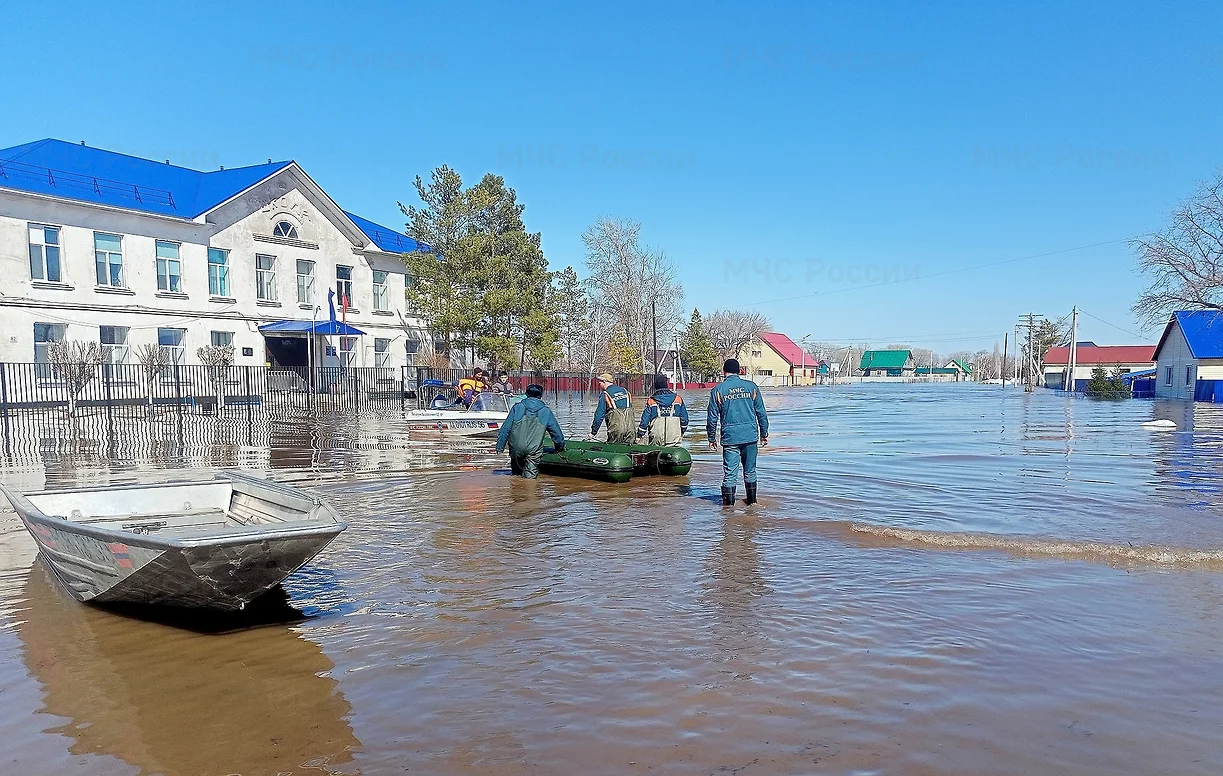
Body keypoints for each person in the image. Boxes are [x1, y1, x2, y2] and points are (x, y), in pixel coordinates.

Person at [706, 358, 769, 506]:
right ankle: (752, 505)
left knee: (730, 475)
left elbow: (712, 418)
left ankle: (728, 510)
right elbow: (761, 413)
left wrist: (711, 438)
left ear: (724, 371)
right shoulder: (752, 387)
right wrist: (764, 433)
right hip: (750, 436)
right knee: (750, 472)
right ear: (739, 371)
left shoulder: (718, 390)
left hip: (730, 438)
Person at [496, 383, 565, 478]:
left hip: (515, 448)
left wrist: (500, 446)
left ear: (526, 394)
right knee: (530, 480)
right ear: (540, 396)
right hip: (534, 450)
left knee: (515, 476)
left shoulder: (517, 407)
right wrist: (559, 447)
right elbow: (556, 433)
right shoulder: (546, 411)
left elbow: (505, 428)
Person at [636, 373, 689, 446]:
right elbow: (685, 420)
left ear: (655, 386)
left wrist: (639, 435)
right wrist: (682, 432)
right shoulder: (678, 399)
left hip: (656, 438)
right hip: (674, 437)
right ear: (667, 385)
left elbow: (644, 421)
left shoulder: (651, 401)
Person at [590, 372, 634, 443]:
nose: (599, 384)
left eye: (600, 382)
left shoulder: (606, 394)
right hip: (631, 430)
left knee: (614, 447)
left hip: (616, 431)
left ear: (604, 381)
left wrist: (593, 432)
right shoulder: (625, 391)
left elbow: (599, 415)